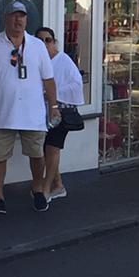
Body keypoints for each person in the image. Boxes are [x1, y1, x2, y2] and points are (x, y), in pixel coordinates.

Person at [0, 1, 59, 214]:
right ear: (5, 18)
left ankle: (37, 190)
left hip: (33, 114)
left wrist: (53, 106)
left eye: (22, 16)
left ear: (26, 20)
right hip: (1, 113)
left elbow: (49, 80)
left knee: (37, 154)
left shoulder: (37, 45)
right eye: (13, 16)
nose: (18, 20)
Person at [34, 27, 84, 205]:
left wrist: (54, 93)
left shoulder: (64, 61)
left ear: (54, 42)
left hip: (61, 111)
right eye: (39, 40)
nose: (44, 43)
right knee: (45, 148)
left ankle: (46, 188)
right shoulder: (37, 61)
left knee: (52, 148)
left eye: (48, 40)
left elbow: (77, 85)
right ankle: (58, 185)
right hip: (42, 112)